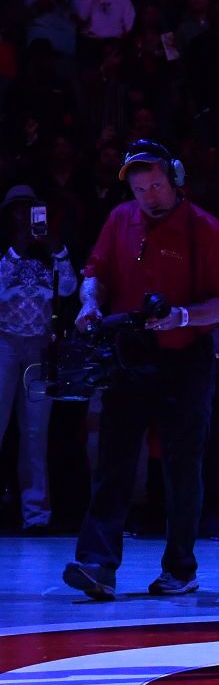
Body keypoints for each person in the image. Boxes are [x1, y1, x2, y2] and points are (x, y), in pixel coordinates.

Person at [62, 140, 219, 600]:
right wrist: (89, 303)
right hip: (131, 356)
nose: (150, 195)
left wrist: (182, 316)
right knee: (114, 461)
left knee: (182, 467)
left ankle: (180, 569)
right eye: (141, 188)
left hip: (186, 359)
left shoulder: (203, 229)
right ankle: (97, 565)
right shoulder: (120, 220)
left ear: (175, 179)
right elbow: (96, 270)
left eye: (157, 185)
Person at [0, 185, 77, 533]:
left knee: (35, 434)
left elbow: (69, 288)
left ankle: (36, 515)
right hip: (5, 344)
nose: (24, 217)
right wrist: (17, 248)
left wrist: (56, 248)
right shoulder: (5, 252)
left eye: (28, 210)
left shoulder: (51, 254)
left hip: (39, 349)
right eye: (17, 210)